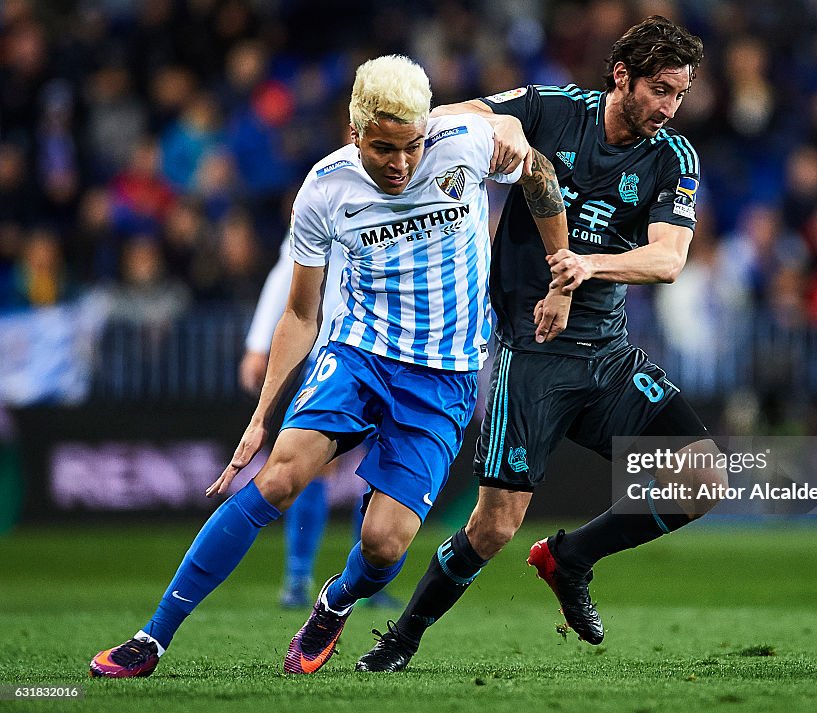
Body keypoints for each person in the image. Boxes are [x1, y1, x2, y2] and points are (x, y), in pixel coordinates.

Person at [89, 53, 570, 679]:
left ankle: (333, 602)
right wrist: (261, 417)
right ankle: (151, 639)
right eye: (383, 148)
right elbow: (298, 315)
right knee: (279, 476)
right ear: (354, 133)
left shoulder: (469, 144)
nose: (400, 164)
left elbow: (539, 177)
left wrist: (559, 268)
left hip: (445, 375)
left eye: (411, 146)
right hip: (359, 356)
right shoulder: (324, 188)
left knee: (384, 543)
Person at [355, 17, 727, 673]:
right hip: (531, 355)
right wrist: (505, 128)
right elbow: (448, 113)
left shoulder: (673, 157)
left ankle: (571, 556)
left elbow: (668, 260)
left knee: (701, 476)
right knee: (494, 526)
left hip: (608, 357)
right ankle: (401, 639)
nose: (669, 108)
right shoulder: (553, 110)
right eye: (661, 90)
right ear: (622, 76)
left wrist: (588, 266)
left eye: (680, 94)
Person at [240, 235, 398, 610]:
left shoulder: (409, 197)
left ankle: (365, 579)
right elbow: (287, 272)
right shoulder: (329, 193)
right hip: (336, 351)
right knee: (317, 465)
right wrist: (259, 344)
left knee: (385, 468)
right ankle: (297, 578)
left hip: (399, 354)